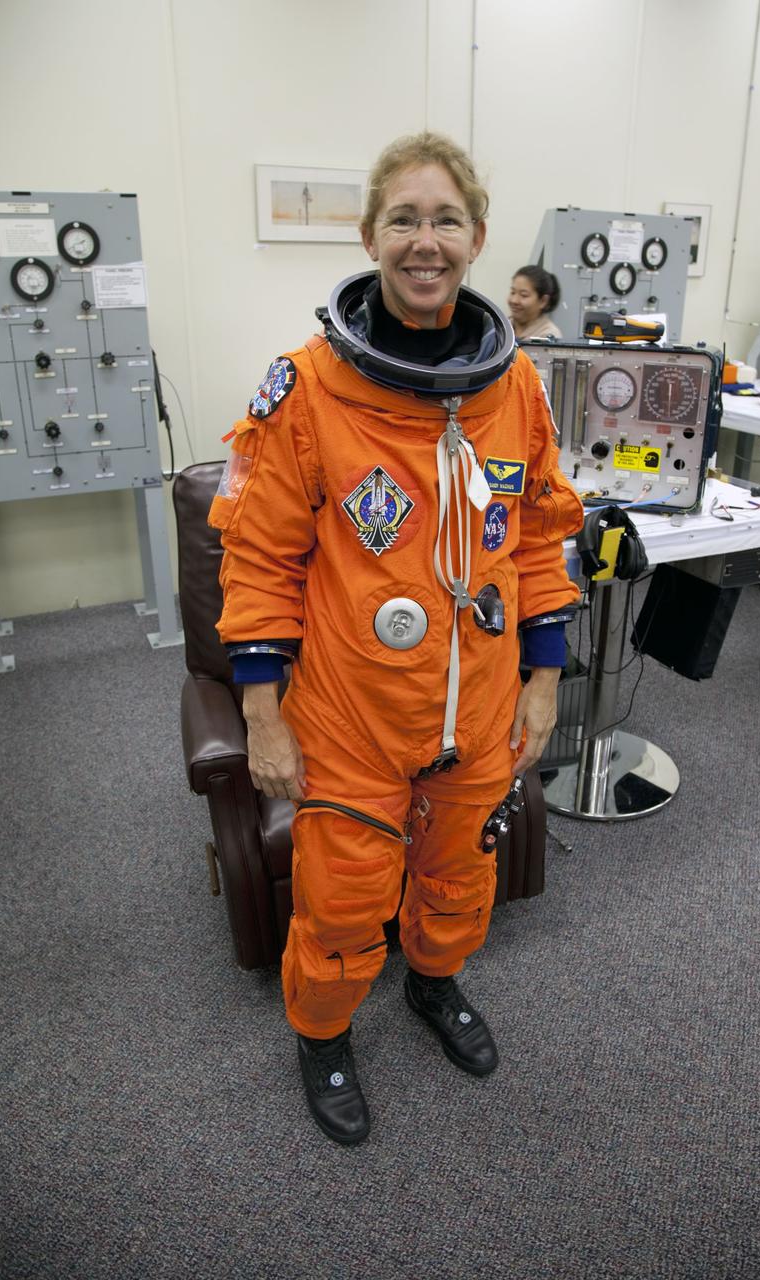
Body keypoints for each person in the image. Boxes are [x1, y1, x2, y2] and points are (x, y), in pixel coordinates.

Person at [210, 132, 583, 1146]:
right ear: (371, 234)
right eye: (406, 220)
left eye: (446, 219)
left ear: (477, 239)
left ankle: (432, 978)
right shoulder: (305, 388)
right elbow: (257, 558)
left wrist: (544, 683)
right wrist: (260, 711)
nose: (427, 240)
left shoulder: (522, 391)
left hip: (481, 701)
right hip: (351, 709)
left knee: (460, 872)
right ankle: (323, 1030)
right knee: (340, 896)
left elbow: (543, 538)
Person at [508, 265, 563, 339]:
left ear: (543, 301)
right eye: (513, 292)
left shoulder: (548, 336)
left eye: (524, 295)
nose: (514, 300)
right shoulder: (500, 327)